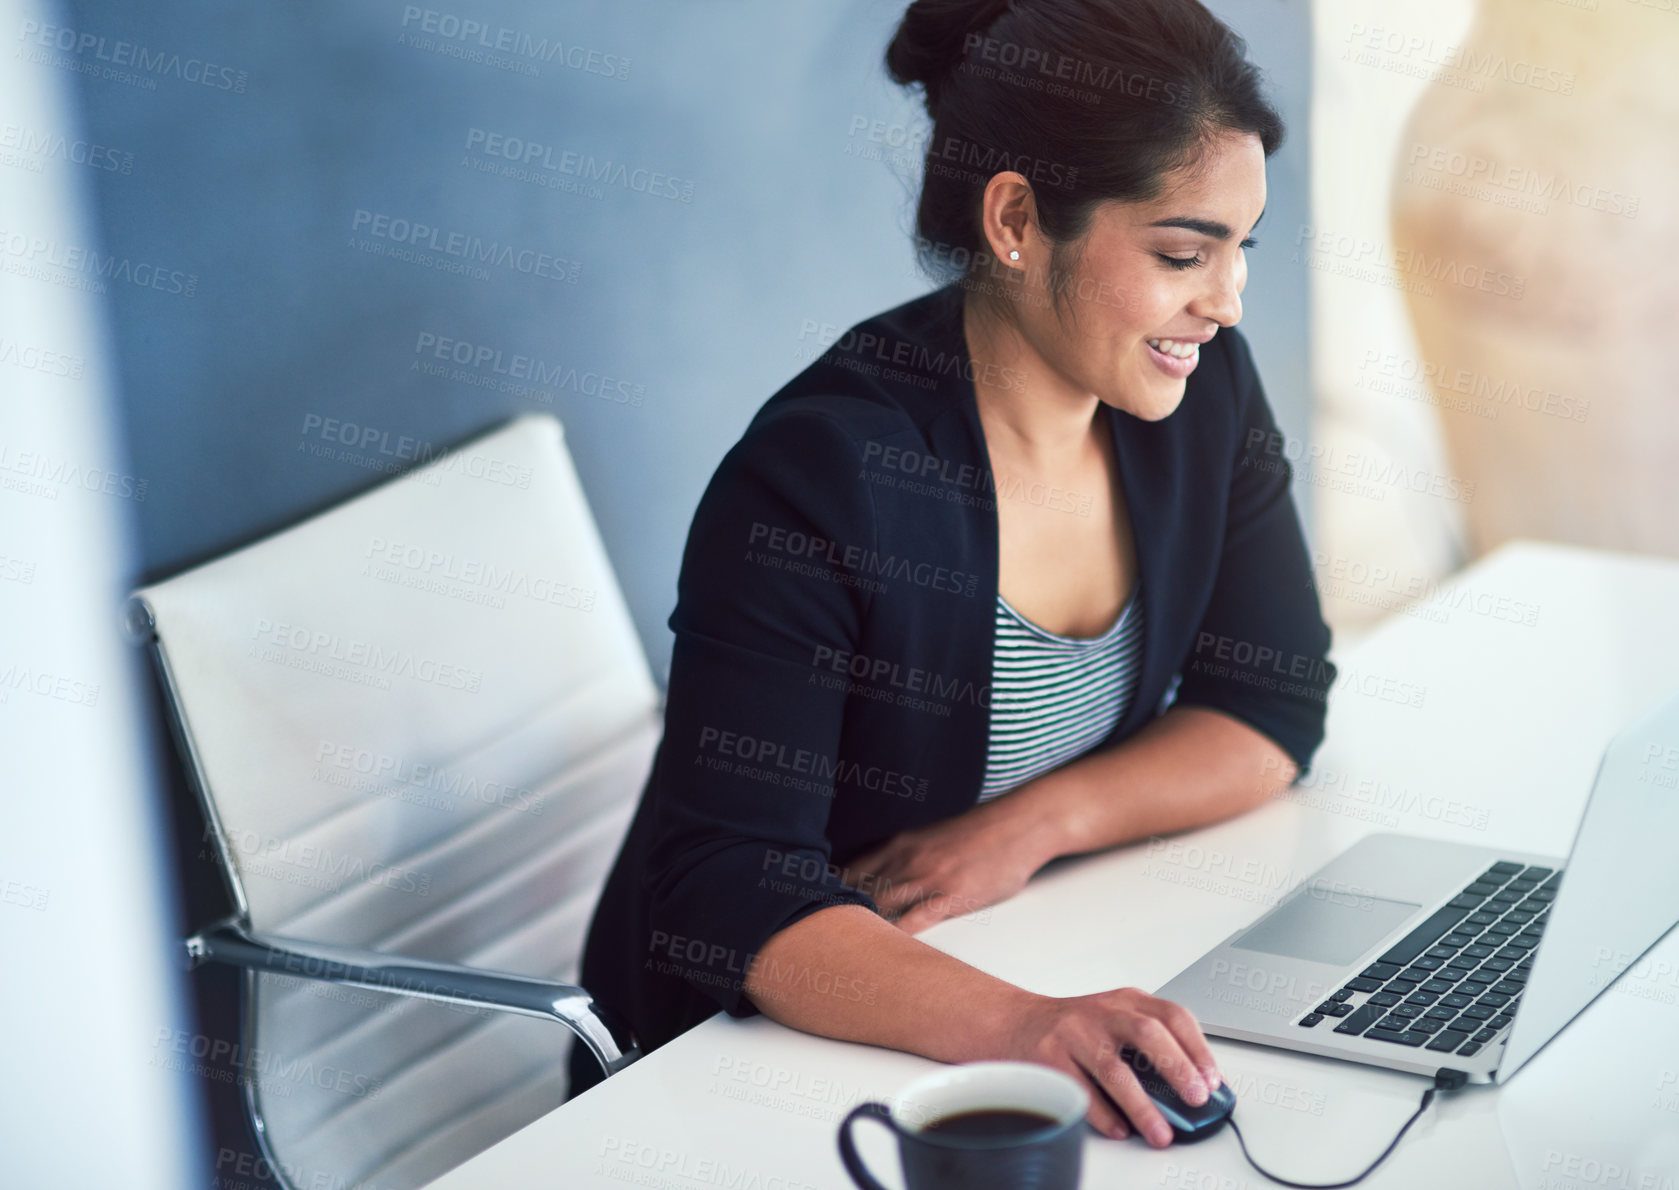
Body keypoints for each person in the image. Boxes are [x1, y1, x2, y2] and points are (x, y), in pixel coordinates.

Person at [569, 0, 1335, 1149]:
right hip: (754, 1067)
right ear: (1018, 218)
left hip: (1019, 940)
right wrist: (1025, 1029)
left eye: (1238, 250)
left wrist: (1028, 825)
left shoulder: (1193, 396)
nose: (1224, 304)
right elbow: (725, 887)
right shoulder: (820, 476)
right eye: (1182, 253)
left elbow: (1269, 700)